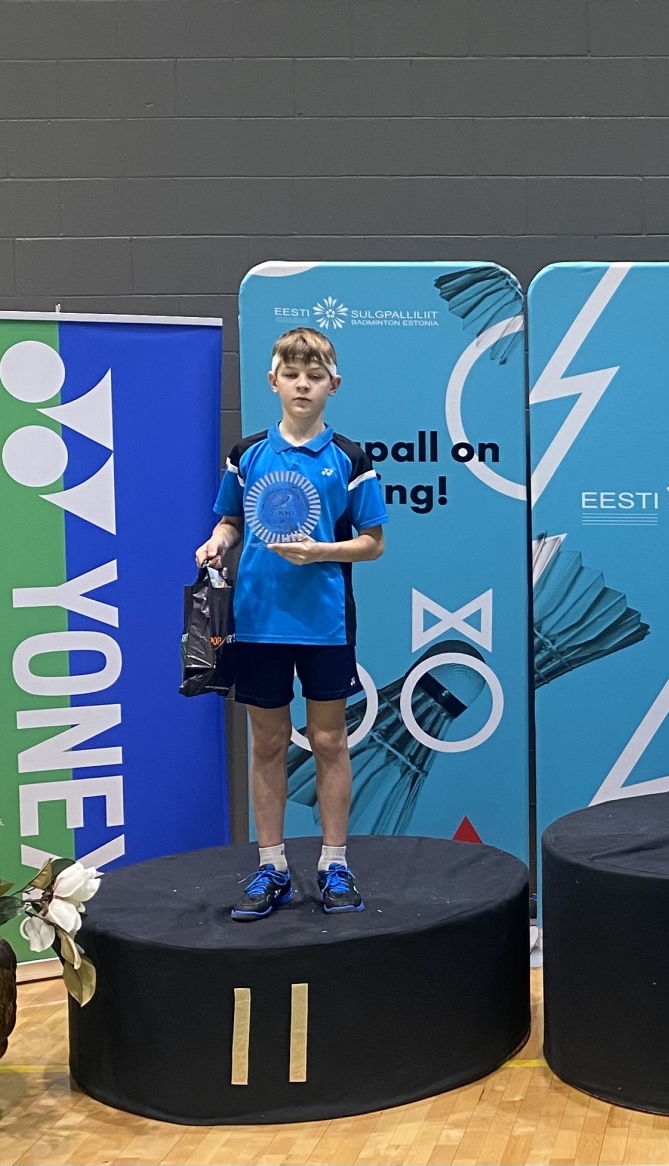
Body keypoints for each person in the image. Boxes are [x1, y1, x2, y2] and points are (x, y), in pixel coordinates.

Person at [196, 327, 389, 920]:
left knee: (329, 740)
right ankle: (272, 865)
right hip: (257, 621)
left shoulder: (350, 458)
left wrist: (321, 552)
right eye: (292, 374)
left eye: (315, 375)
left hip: (324, 623)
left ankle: (335, 864)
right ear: (273, 381)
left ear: (334, 384)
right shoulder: (247, 454)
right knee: (268, 742)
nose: (303, 384)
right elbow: (231, 520)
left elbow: (373, 542)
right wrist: (217, 541)